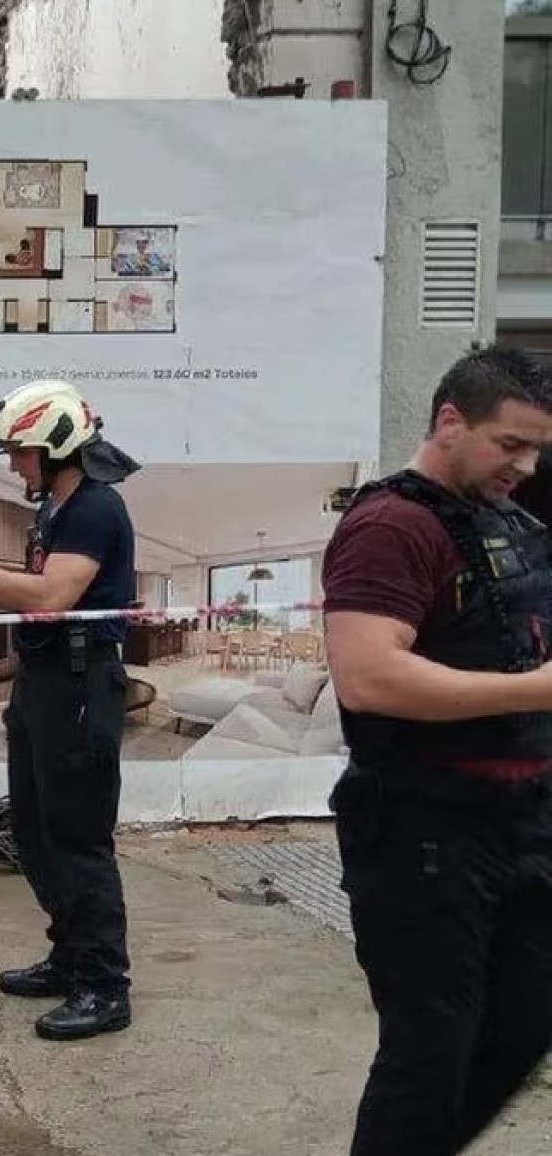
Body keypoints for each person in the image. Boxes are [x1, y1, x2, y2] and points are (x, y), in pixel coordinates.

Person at [319, 347, 552, 1156]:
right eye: (510, 445)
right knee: (429, 1049)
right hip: (423, 828)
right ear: (451, 421)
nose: (523, 466)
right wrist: (538, 691)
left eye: (535, 451)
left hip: (521, 820)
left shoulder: (510, 523)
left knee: (521, 1024)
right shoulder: (389, 525)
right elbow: (368, 677)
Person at [0, 378, 140, 1042]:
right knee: (38, 834)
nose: (13, 463)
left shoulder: (96, 510)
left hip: (79, 685)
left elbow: (50, 597)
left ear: (57, 448)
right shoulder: (55, 509)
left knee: (77, 839)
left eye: (21, 452)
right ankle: (71, 958)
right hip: (45, 681)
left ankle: (104, 986)